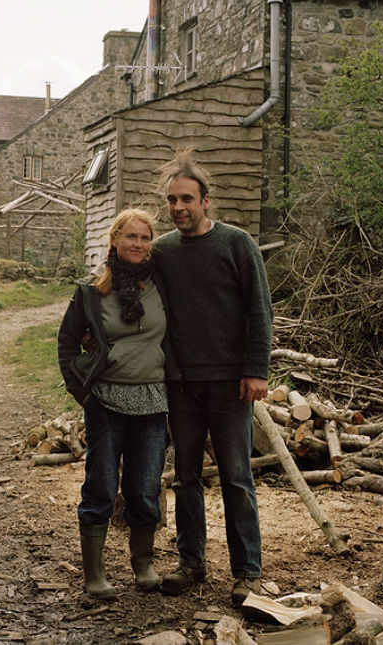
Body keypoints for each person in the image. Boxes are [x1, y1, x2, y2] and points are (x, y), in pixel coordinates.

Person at [150, 150, 273, 607]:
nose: (178, 208)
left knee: (237, 478)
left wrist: (255, 370)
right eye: (171, 201)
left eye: (186, 199)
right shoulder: (162, 251)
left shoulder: (237, 244)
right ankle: (191, 563)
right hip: (181, 385)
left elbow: (260, 310)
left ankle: (247, 572)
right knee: (185, 477)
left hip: (229, 385)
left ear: (206, 201)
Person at [57, 208, 179, 599]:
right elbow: (66, 343)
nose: (138, 245)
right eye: (131, 237)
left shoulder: (162, 284)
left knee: (144, 488)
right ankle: (95, 574)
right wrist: (85, 393)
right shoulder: (92, 289)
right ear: (114, 239)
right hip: (106, 401)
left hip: (153, 400)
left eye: (145, 238)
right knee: (101, 487)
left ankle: (142, 564)